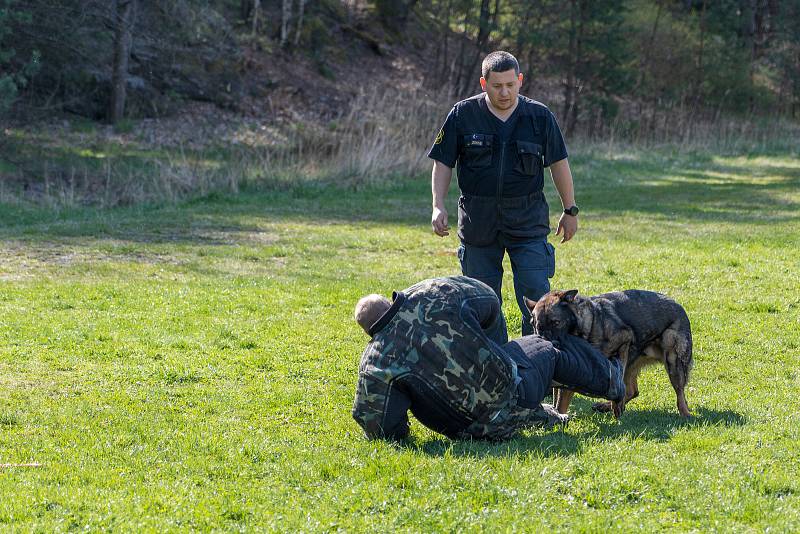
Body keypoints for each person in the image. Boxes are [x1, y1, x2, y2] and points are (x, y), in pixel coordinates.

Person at [351, 276, 625, 441]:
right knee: (548, 346)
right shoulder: (434, 294)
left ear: (368, 333)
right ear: (391, 302)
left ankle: (544, 415)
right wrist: (494, 347)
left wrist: (404, 426)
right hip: (514, 388)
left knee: (504, 401)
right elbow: (489, 299)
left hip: (466, 430)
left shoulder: (376, 362)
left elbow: (380, 426)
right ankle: (612, 381)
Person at [428, 50, 579, 336]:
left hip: (527, 221)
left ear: (520, 81)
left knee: (537, 295)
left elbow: (559, 163)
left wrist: (570, 209)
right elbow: (443, 162)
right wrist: (438, 205)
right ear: (484, 84)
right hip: (478, 224)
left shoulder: (539, 116)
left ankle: (534, 360)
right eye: (497, 86)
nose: (505, 92)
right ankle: (495, 365)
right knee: (482, 302)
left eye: (510, 84)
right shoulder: (463, 114)